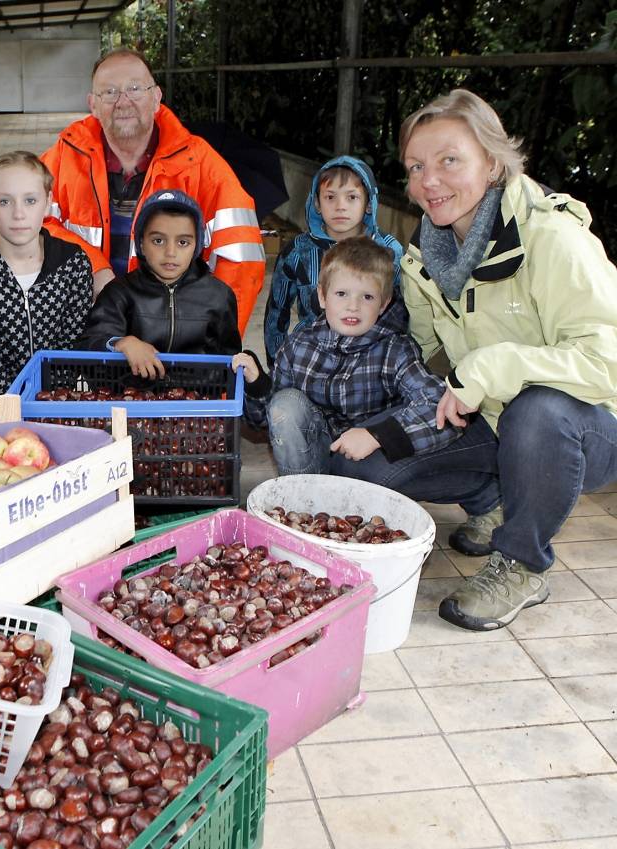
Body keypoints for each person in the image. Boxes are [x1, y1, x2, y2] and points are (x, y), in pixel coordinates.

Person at [398, 89, 617, 631]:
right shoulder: (424, 253)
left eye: (450, 160)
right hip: (490, 419)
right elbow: (419, 350)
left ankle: (521, 564)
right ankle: (501, 498)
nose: (429, 181)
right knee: (371, 466)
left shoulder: (553, 237)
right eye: (416, 166)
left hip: (587, 426)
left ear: (493, 163)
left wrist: (492, 366)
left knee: (536, 410)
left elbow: (607, 360)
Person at [40, 48, 265, 330]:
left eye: (135, 88)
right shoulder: (64, 156)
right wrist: (94, 267)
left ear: (156, 98)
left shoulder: (201, 164)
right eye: (109, 92)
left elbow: (241, 259)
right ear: (93, 105)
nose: (123, 102)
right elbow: (27, 225)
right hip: (85, 329)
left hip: (170, 333)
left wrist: (215, 340)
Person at [233, 237, 478, 484]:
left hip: (368, 466)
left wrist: (377, 436)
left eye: (367, 297)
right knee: (285, 403)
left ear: (383, 304)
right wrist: (257, 385)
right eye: (341, 293)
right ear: (322, 296)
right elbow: (266, 421)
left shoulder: (395, 350)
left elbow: (438, 404)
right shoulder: (298, 346)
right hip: (311, 461)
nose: (353, 306)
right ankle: (301, 497)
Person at [0, 151, 93, 409]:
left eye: (30, 200)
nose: (18, 213)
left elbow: (71, 347)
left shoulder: (72, 264)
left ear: (47, 202)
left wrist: (51, 404)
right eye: (4, 202)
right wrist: (16, 411)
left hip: (55, 402)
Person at [79, 188, 242, 378]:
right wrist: (120, 343)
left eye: (183, 242)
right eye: (158, 240)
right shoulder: (118, 293)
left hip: (198, 396)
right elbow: (89, 347)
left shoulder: (219, 296)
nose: (170, 252)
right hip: (128, 395)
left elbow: (230, 363)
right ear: (141, 244)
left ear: (197, 246)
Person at [263, 155, 405, 366]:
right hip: (310, 361)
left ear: (369, 203)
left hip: (370, 365)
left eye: (352, 197)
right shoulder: (298, 252)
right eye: (330, 197)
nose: (340, 206)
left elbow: (401, 314)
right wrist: (278, 365)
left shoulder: (389, 250)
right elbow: (277, 312)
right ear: (317, 203)